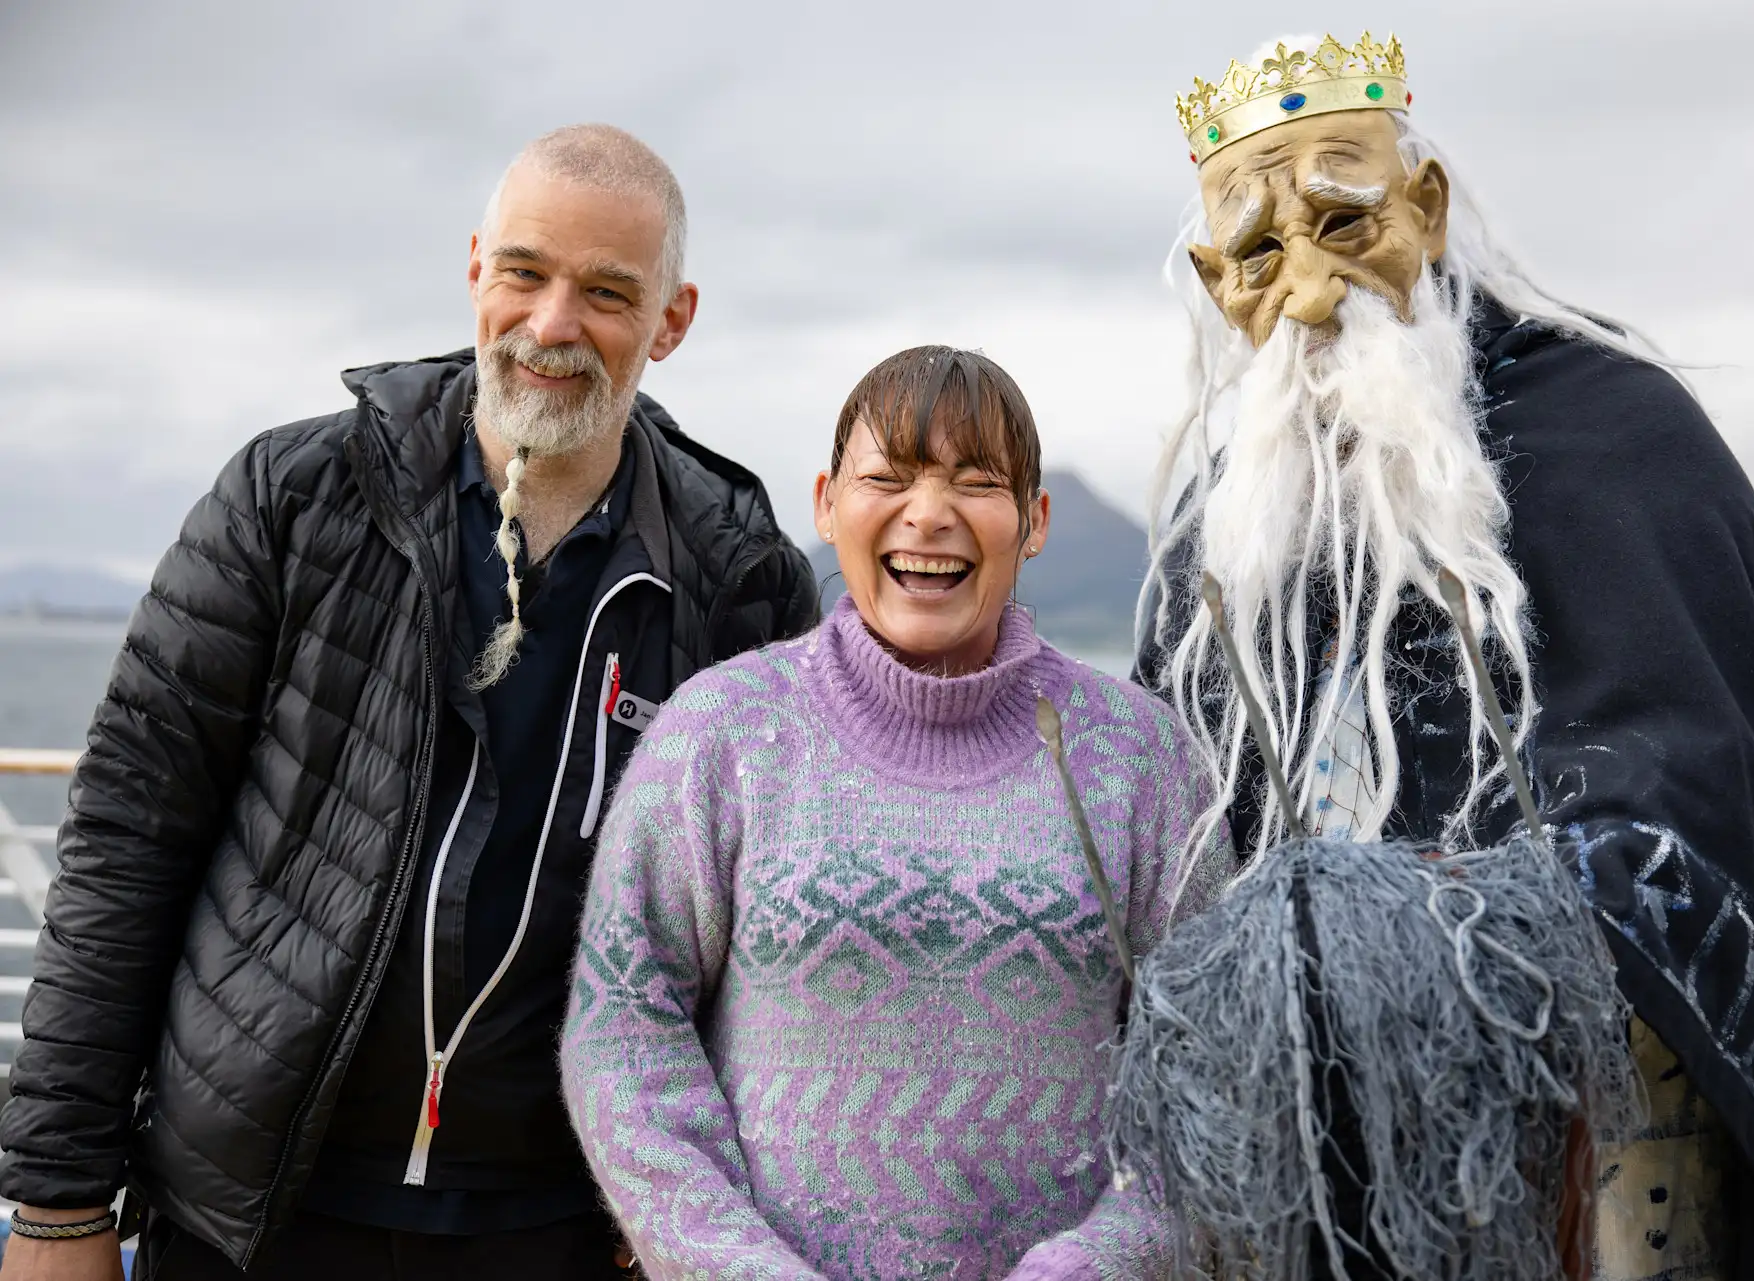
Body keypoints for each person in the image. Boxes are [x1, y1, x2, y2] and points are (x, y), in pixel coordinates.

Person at [0, 124, 817, 1280]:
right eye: (525, 272)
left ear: (672, 320)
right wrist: (57, 1202)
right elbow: (128, 840)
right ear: (477, 267)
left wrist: (695, 1208)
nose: (552, 325)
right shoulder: (290, 501)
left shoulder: (742, 577)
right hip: (256, 1213)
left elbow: (755, 943)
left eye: (606, 292)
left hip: (560, 1230)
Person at [1129, 31, 1754, 1281]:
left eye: (1345, 222)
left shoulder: (1620, 439)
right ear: (1213, 280)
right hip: (1297, 1174)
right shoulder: (1229, 528)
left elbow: (1694, 802)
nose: (1308, 290)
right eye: (1257, 253)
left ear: (1425, 206)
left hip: (1597, 1163)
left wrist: (1432, 918)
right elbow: (1165, 823)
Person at [561, 346, 1225, 1279]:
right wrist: (737, 1266)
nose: (929, 512)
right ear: (828, 503)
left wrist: (1096, 1264)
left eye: (976, 482)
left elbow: (1212, 1065)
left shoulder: (1143, 758)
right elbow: (623, 1028)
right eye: (889, 478)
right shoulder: (721, 735)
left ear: (1034, 521)